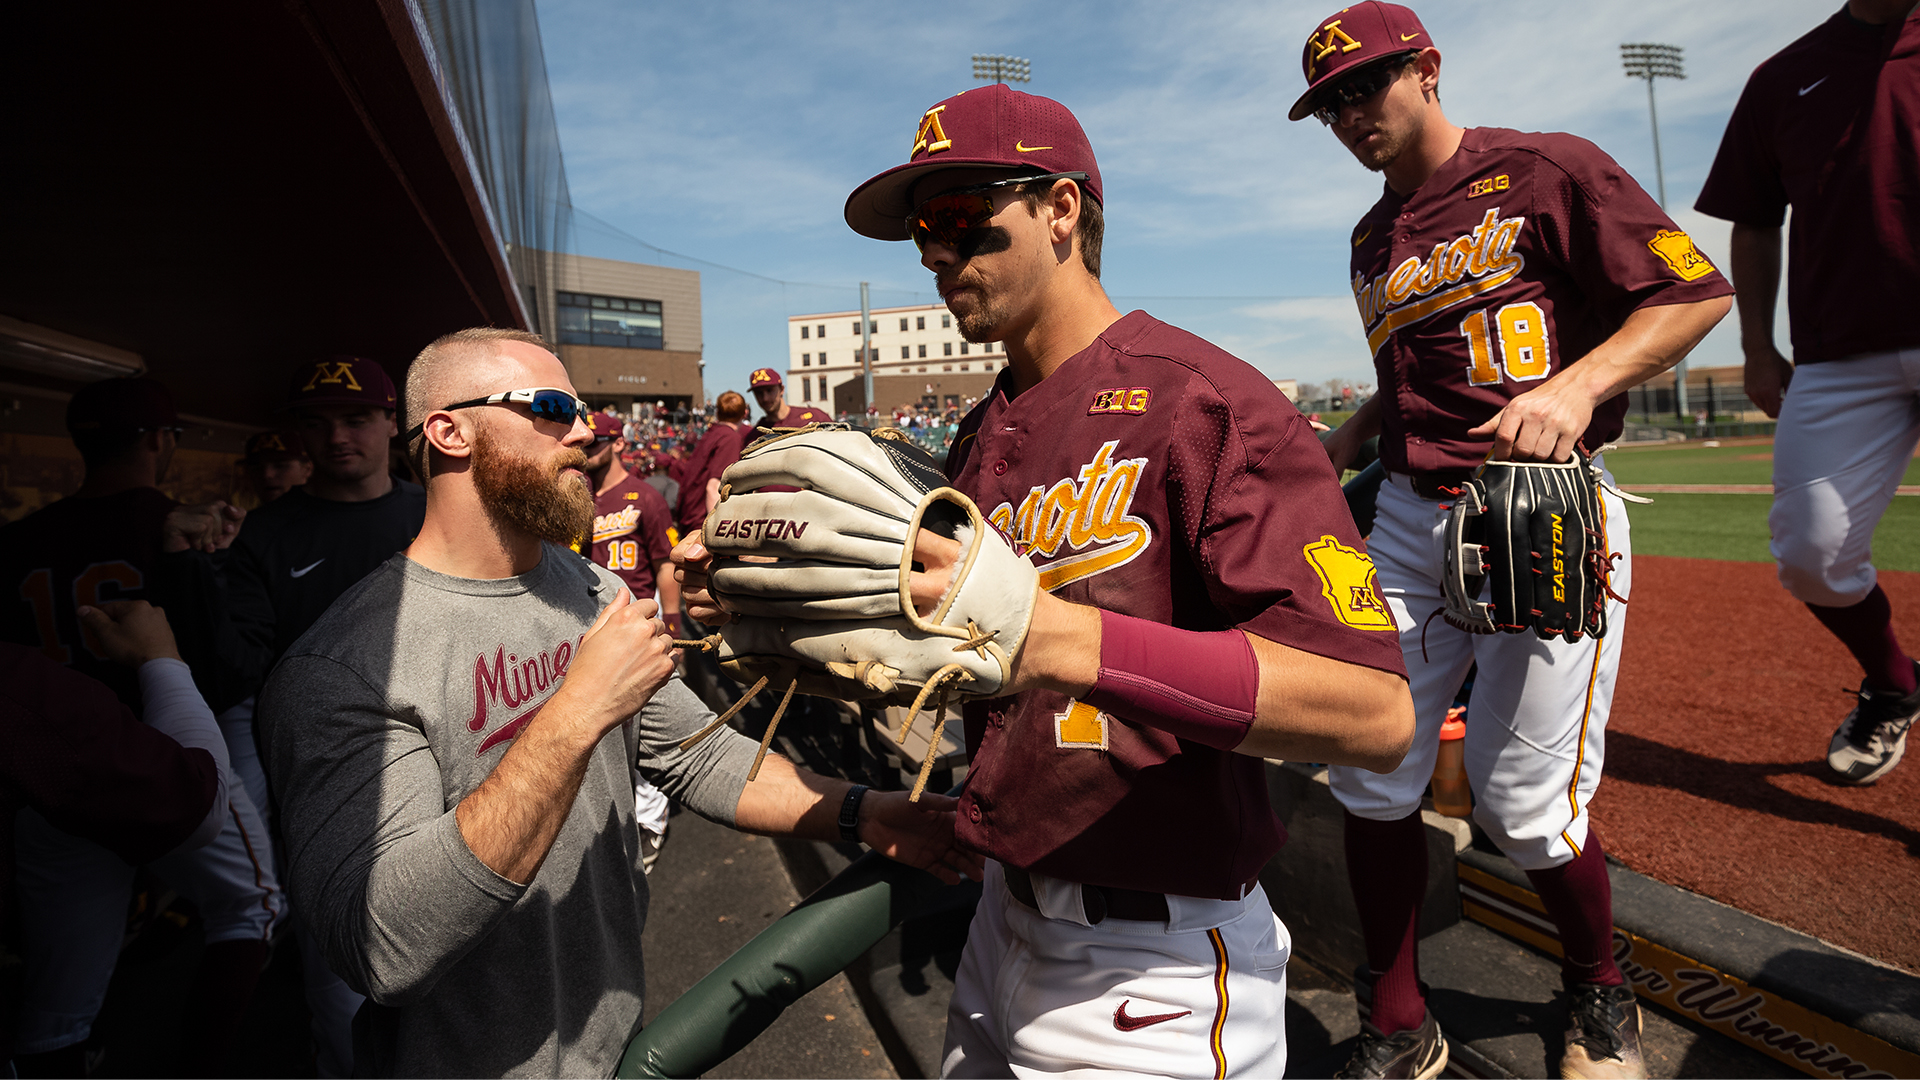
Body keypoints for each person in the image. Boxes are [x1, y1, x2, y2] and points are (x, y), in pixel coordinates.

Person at [699, 82, 1415, 1078]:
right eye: (920, 229)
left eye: (959, 216)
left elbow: (1374, 713)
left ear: (1061, 208)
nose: (935, 251)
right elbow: (961, 653)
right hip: (1001, 919)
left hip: (1155, 960)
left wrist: (1056, 638)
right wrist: (786, 613)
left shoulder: (1203, 402)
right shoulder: (979, 431)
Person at [257, 327, 979, 1077]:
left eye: (584, 409)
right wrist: (578, 710)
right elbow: (387, 949)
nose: (584, 430)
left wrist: (862, 810)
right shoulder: (340, 668)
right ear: (449, 431)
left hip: (615, 1040)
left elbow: (697, 753)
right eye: (549, 407)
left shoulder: (589, 588)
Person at [1291, 4, 1733, 1077]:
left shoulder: (1546, 167)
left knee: (1525, 803)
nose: (1352, 115)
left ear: (1428, 70)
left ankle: (1599, 992)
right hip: (1406, 516)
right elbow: (1414, 393)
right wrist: (1331, 441)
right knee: (1371, 764)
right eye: (1332, 103)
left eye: (1369, 86)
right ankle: (1398, 1018)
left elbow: (1696, 294)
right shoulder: (1369, 239)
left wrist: (1581, 384)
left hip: (1539, 508)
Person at [0, 376, 282, 1075]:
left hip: (49, 777)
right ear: (160, 441)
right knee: (254, 904)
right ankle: (201, 1065)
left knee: (58, 1002)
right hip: (160, 753)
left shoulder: (18, 540)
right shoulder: (174, 525)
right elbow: (224, 664)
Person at [1694, 0, 1920, 786]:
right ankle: (1896, 681)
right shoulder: (1783, 75)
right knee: (1812, 553)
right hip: (1837, 351)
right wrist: (1758, 348)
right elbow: (1754, 223)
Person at [223, 355, 424, 1076]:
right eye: (317, 422)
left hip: (445, 780)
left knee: (454, 981)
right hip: (325, 797)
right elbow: (236, 671)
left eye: (357, 418)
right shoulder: (264, 536)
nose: (338, 437)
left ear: (390, 424)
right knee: (340, 992)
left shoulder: (436, 513)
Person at [3, 601, 232, 1075]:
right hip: (124, 785)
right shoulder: (20, 689)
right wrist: (161, 658)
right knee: (252, 901)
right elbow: (198, 804)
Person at [580, 410, 679, 869]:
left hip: (642, 626)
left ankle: (652, 814)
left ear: (619, 442)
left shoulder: (645, 496)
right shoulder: (577, 496)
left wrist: (673, 623)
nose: (589, 446)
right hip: (595, 631)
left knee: (646, 734)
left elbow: (665, 561)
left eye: (600, 440)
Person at [674, 389, 750, 540]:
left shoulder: (712, 433)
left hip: (690, 518)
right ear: (744, 414)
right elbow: (713, 487)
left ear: (718, 413)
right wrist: (719, 534)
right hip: (702, 526)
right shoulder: (730, 437)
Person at [747, 367, 831, 439]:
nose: (765, 398)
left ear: (782, 389)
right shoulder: (755, 436)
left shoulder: (815, 417)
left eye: (769, 390)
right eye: (759, 393)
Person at [237, 428, 312, 507]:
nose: (267, 474)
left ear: (306, 469)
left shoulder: (323, 516)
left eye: (280, 466)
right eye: (256, 467)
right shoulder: (249, 518)